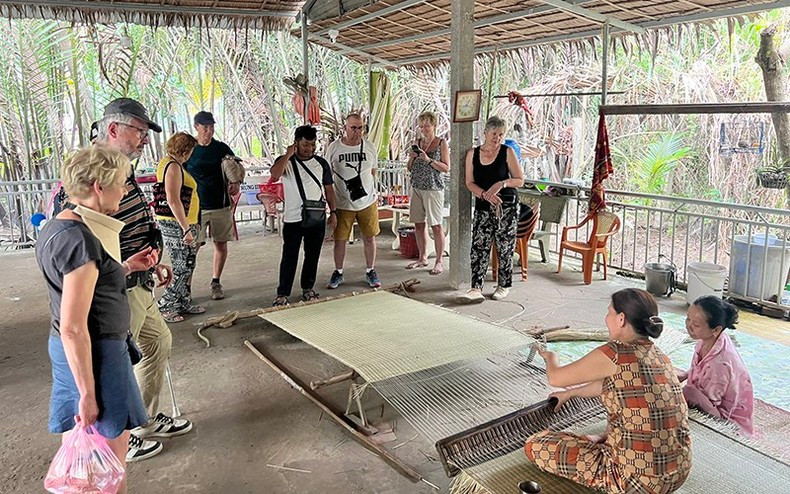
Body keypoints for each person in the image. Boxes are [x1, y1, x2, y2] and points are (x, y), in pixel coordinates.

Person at [36, 146, 160, 493]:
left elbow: (84, 286)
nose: (124, 190)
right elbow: (74, 326)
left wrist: (127, 267)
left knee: (87, 461)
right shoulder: (80, 242)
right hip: (95, 356)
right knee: (107, 462)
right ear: (98, 186)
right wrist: (88, 393)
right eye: (120, 183)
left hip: (76, 352)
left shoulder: (60, 226)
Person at [95, 98, 192, 462]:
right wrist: (125, 267)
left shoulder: (124, 168)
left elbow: (136, 218)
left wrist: (152, 262)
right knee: (116, 361)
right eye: (138, 131)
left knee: (157, 342)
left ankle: (144, 419)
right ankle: (119, 436)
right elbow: (81, 241)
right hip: (116, 286)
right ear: (114, 129)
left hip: (141, 278)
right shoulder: (94, 170)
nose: (143, 140)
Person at [525, 288, 691, 494]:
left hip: (636, 482)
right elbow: (612, 384)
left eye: (609, 312)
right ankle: (603, 441)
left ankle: (599, 444)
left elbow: (555, 377)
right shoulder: (659, 355)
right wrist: (571, 393)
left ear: (621, 319)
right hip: (679, 472)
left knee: (535, 444)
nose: (606, 318)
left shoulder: (614, 353)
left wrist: (550, 357)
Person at [458, 116, 524, 303]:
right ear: (485, 133)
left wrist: (501, 184)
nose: (497, 138)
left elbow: (519, 180)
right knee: (479, 246)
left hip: (506, 207)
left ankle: (503, 285)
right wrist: (485, 194)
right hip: (482, 205)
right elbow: (469, 182)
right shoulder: (473, 153)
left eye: (501, 134)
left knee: (505, 246)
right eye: (494, 134)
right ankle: (475, 287)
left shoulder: (507, 152)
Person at [270, 125, 337, 306]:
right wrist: (288, 154)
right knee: (289, 256)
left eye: (313, 145)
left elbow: (329, 189)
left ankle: (308, 288)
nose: (309, 149)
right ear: (296, 143)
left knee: (312, 255)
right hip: (293, 219)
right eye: (305, 145)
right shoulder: (286, 162)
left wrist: (334, 212)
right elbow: (275, 175)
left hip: (316, 218)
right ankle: (283, 293)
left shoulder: (321, 163)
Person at [677, 296, 753, 435]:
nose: (688, 326)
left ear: (716, 329)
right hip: (714, 396)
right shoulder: (710, 339)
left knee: (684, 392)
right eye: (688, 319)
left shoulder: (720, 363)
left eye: (696, 324)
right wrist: (686, 375)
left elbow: (711, 402)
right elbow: (701, 368)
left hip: (727, 419)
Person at [185, 111, 239, 301]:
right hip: (195, 208)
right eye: (205, 127)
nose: (209, 131)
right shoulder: (188, 149)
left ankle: (216, 281)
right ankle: (186, 286)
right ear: (196, 127)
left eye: (211, 127)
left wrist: (235, 183)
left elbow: (236, 171)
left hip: (220, 204)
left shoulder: (221, 149)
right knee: (193, 247)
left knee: (220, 244)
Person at [325, 113, 381, 289]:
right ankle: (338, 272)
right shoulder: (334, 148)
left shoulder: (369, 147)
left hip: (367, 202)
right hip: (342, 203)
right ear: (345, 127)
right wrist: (331, 205)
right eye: (353, 127)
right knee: (340, 239)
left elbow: (373, 171)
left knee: (369, 237)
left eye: (360, 128)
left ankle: (370, 270)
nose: (357, 131)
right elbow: (327, 175)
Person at [155, 132, 203, 323]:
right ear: (186, 150)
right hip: (177, 224)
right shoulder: (173, 167)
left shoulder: (170, 163)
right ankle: (166, 304)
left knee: (189, 264)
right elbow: (173, 200)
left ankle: (183, 300)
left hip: (185, 221)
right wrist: (185, 229)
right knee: (181, 267)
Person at [405, 111, 450, 275]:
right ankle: (422, 257)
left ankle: (438, 261)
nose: (424, 128)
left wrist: (428, 159)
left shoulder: (441, 143)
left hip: (433, 188)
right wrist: (412, 158)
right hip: (417, 186)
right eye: (422, 125)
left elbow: (446, 167)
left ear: (434, 126)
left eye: (427, 125)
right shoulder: (417, 142)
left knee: (436, 226)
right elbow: (409, 168)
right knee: (418, 224)